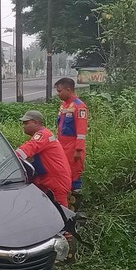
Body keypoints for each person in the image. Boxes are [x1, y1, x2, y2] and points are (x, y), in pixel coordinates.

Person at [15, 110, 72, 208]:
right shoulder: (44, 135)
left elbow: (27, 150)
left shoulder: (43, 135)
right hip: (49, 178)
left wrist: (9, 157)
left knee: (62, 212)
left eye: (26, 123)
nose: (23, 126)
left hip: (55, 180)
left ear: (36, 122)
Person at [55, 78, 88, 212]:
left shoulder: (79, 106)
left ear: (68, 90)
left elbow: (81, 131)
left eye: (60, 91)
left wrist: (78, 149)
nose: (58, 94)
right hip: (62, 147)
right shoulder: (64, 106)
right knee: (63, 175)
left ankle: (75, 211)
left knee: (74, 177)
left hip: (73, 148)